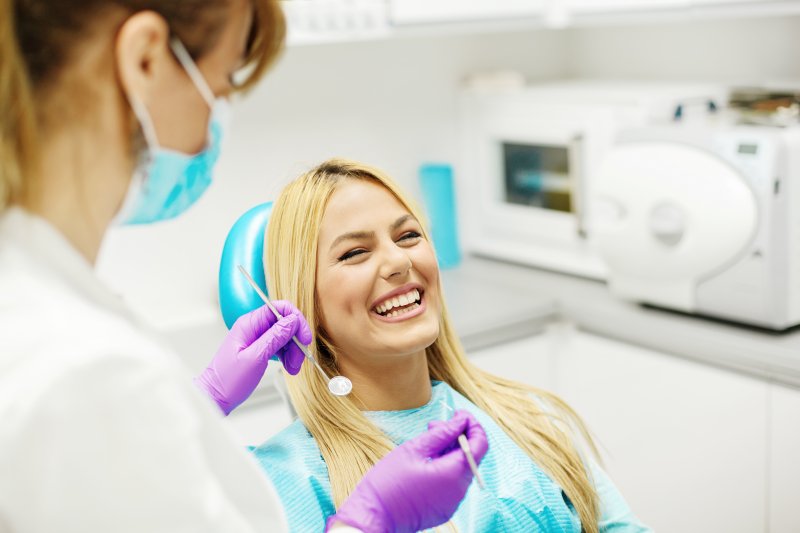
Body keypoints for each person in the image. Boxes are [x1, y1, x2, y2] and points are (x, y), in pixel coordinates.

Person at [0, 1, 487, 531]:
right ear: (145, 60)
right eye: (226, 79)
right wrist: (367, 524)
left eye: (409, 235)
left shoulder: (43, 308)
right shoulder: (88, 371)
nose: (215, 126)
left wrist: (200, 400)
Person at [251, 158, 653, 532]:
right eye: (355, 252)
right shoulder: (283, 479)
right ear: (306, 303)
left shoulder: (529, 419)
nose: (398, 262)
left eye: (409, 236)